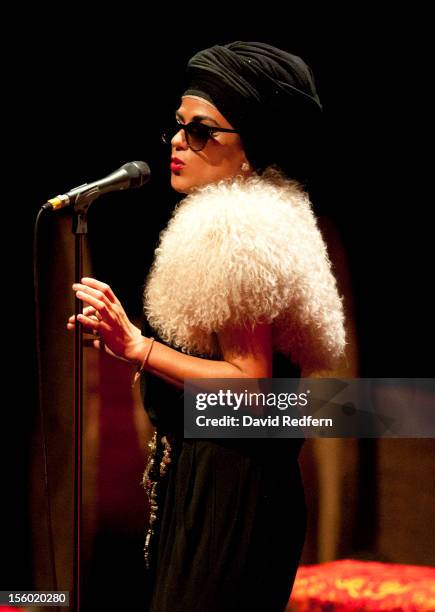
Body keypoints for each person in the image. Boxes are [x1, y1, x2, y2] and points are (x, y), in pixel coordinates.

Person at [67, 41, 346, 612]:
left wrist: (137, 347)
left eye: (202, 131)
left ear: (251, 148)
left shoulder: (236, 226)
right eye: (179, 126)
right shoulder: (263, 213)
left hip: (230, 484)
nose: (177, 141)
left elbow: (249, 381)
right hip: (238, 480)